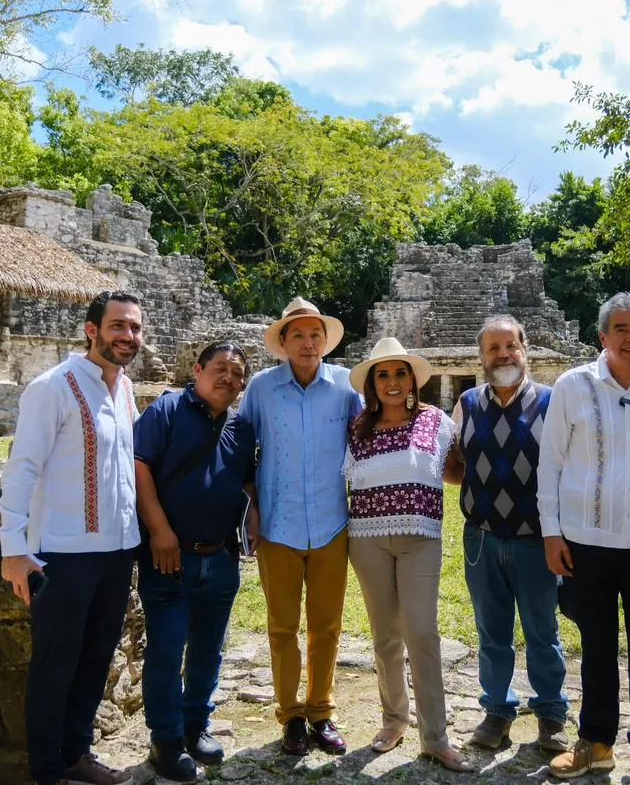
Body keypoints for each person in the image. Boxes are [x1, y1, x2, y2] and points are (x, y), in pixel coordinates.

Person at [538, 292, 630, 784]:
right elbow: (551, 463)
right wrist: (551, 533)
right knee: (597, 645)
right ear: (602, 336)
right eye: (620, 329)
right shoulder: (572, 385)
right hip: (584, 541)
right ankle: (596, 742)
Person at [0, 290, 144, 785]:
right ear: (92, 329)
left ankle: (76, 754)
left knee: (96, 658)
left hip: (118, 550)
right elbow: (22, 468)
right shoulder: (52, 387)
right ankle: (45, 772)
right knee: (54, 665)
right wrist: (13, 549)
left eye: (135, 328)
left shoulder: (125, 389)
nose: (128, 336)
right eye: (118, 326)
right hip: (62, 555)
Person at [342, 337, 473, 773]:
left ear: (413, 380)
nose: (393, 382)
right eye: (383, 374)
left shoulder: (436, 422)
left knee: (422, 633)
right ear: (372, 384)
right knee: (384, 635)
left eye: (400, 373)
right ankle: (393, 720)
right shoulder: (356, 429)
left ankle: (435, 737)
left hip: (420, 538)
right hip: (367, 539)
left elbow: (456, 471)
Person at [238, 297, 362, 756]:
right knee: (281, 627)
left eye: (316, 335)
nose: (308, 344)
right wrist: (249, 505)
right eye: (298, 336)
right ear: (283, 343)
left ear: (325, 341)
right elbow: (242, 448)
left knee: (327, 627)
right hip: (277, 523)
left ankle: (321, 711)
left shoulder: (347, 387)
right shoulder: (261, 388)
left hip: (332, 523)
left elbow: (367, 439)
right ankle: (290, 715)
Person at [132, 342, 260, 782]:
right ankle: (165, 740)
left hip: (220, 557)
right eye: (220, 368)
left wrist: (252, 521)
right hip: (170, 556)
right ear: (197, 369)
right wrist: (160, 531)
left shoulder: (242, 427)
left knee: (208, 649)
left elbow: (245, 482)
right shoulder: (166, 411)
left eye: (237, 373)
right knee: (167, 650)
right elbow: (140, 468)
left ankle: (195, 725)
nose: (229, 377)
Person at [450, 315, 569, 752]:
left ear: (525, 349)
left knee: (543, 631)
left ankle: (552, 714)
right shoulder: (466, 403)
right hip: (481, 537)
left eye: (510, 346)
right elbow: (453, 463)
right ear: (481, 357)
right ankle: (497, 711)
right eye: (493, 348)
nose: (503, 355)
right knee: (491, 632)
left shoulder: (552, 402)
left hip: (537, 539)